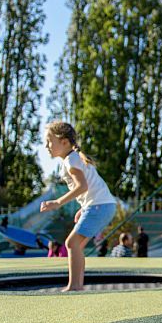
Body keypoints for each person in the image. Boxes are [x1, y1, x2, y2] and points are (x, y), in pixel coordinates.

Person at [40, 121, 117, 292]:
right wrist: (83, 208)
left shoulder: (71, 160)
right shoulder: (74, 158)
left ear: (64, 142)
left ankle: (75, 286)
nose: (46, 146)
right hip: (101, 205)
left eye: (49, 141)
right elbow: (90, 187)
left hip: (100, 205)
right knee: (76, 245)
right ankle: (77, 285)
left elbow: (82, 186)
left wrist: (57, 202)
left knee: (71, 243)